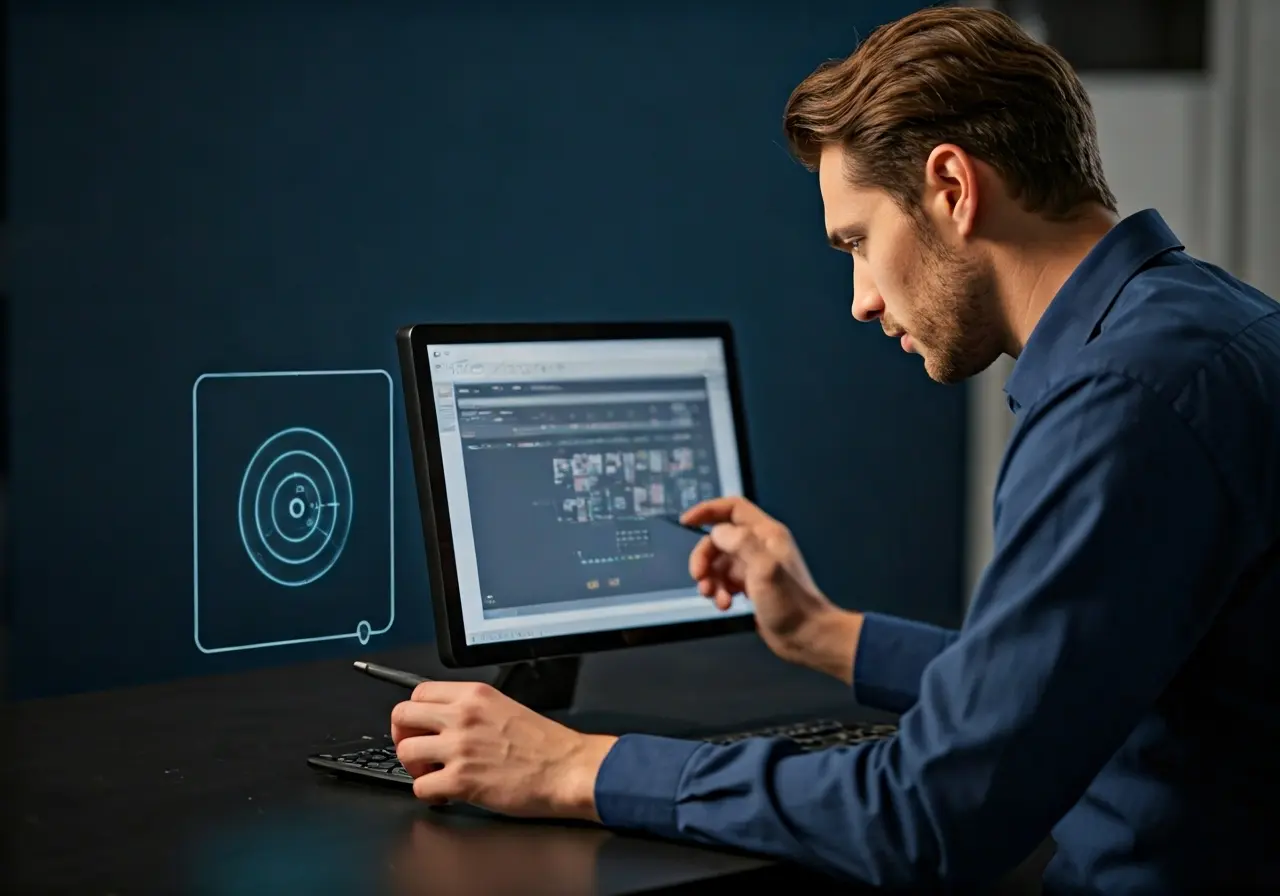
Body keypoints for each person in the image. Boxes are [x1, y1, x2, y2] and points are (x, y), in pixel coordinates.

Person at [388, 6, 1280, 891]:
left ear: (952, 188)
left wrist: (579, 769)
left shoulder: (1118, 402)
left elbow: (930, 815)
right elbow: (1052, 690)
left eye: (857, 241)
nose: (859, 297)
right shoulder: (1211, 328)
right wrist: (822, 634)